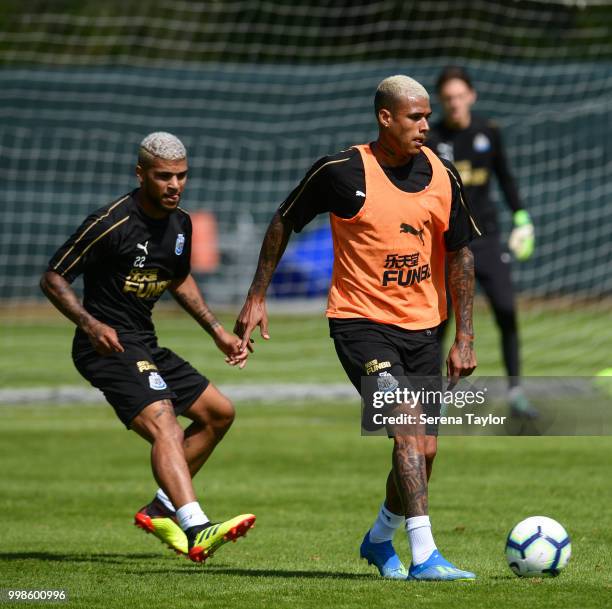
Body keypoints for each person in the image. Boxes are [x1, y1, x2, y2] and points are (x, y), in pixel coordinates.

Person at [234, 76, 479, 581]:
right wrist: (257, 295)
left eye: (427, 116)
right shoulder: (341, 171)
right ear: (385, 118)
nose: (425, 126)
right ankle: (426, 556)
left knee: (425, 449)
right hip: (360, 324)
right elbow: (284, 219)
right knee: (407, 428)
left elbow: (460, 254)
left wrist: (465, 336)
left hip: (423, 329)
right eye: (415, 117)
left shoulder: (442, 174)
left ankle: (378, 539)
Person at [40, 132, 255, 563]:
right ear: (141, 175)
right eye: (164, 177)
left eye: (181, 176)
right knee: (166, 425)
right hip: (105, 345)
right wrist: (89, 322)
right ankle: (196, 526)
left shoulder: (181, 223)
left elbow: (177, 277)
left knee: (219, 413)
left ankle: (162, 506)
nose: (174, 185)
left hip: (145, 342)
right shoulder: (110, 223)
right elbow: (53, 278)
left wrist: (215, 329)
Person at [427, 66, 537, 418]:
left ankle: (516, 393)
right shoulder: (431, 139)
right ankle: (436, 397)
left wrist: (522, 218)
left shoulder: (488, 132)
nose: (455, 103)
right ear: (441, 102)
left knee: (506, 310)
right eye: (448, 99)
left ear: (471, 96)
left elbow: (505, 178)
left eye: (460, 96)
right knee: (440, 322)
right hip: (449, 244)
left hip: (488, 241)